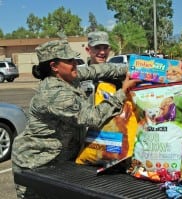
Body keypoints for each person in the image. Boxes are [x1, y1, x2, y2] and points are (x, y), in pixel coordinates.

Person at [11, 39, 140, 199]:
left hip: (61, 163)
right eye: (69, 60)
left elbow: (99, 70)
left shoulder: (69, 75)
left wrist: (138, 70)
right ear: (54, 66)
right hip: (36, 164)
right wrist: (122, 93)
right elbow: (93, 117)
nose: (75, 63)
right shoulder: (54, 94)